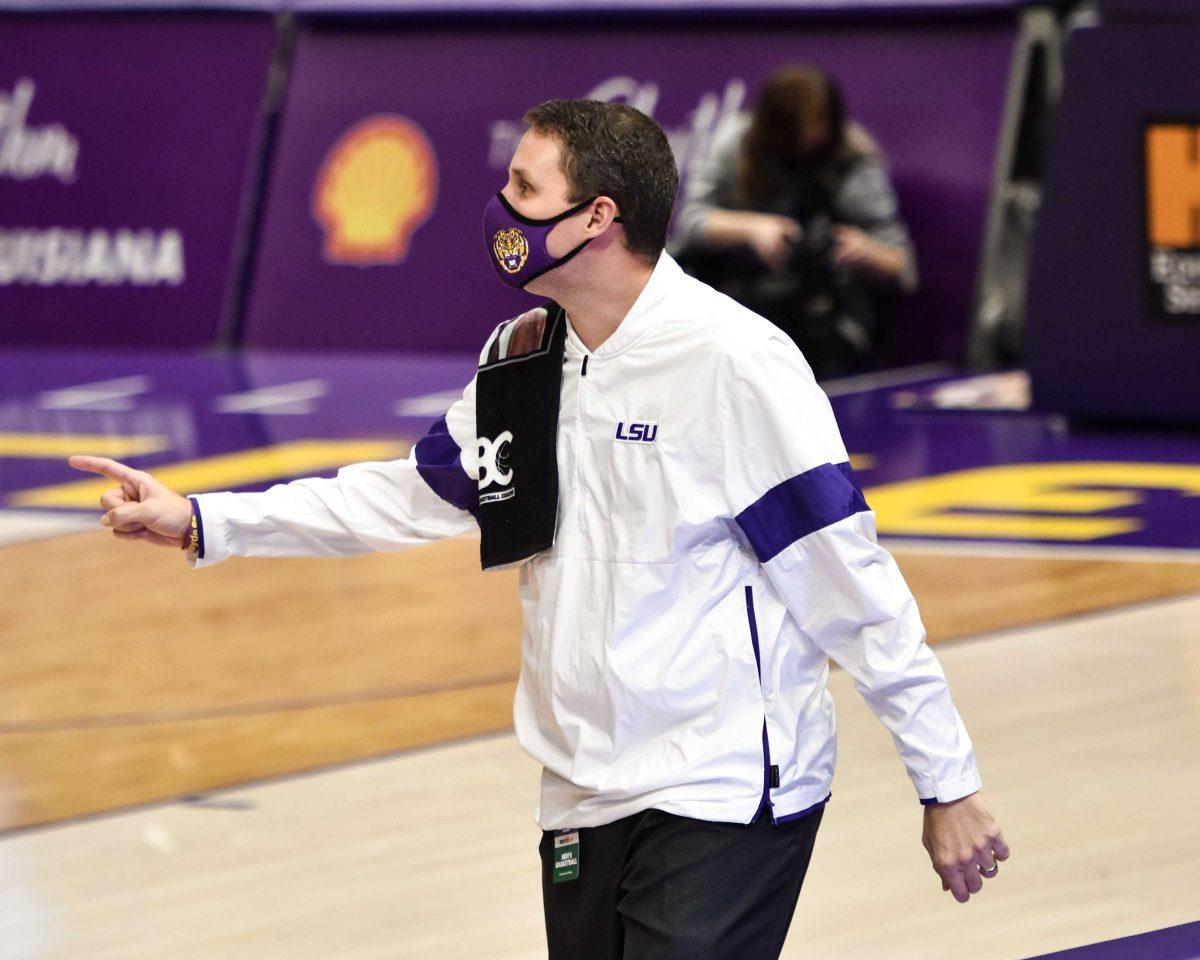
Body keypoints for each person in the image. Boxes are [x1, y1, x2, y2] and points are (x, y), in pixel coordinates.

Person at [68, 99, 1008, 959]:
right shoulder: (522, 354)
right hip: (580, 783)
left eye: (524, 187)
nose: (500, 206)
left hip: (721, 787)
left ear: (597, 217)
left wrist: (947, 781)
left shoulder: (736, 365)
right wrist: (202, 521)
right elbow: (409, 496)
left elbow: (851, 585)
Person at [672, 64, 918, 379]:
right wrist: (754, 229)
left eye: (821, 125)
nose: (812, 135)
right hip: (736, 305)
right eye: (801, 128)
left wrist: (865, 250)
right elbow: (690, 222)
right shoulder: (738, 142)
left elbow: (902, 265)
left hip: (819, 321)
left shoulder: (851, 161)